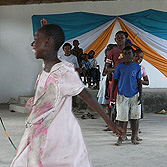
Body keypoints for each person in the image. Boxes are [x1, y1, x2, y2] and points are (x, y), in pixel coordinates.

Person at [10, 24, 124, 166]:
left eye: (36, 39)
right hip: (38, 130)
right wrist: (46, 32)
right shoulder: (47, 67)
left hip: (58, 136)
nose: (32, 44)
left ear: (48, 42)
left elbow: (86, 95)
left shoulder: (63, 73)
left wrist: (109, 122)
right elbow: (51, 54)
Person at [111, 46, 142, 146]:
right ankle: (120, 138)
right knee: (121, 118)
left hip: (134, 95)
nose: (127, 56)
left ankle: (133, 137)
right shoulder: (120, 66)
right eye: (125, 54)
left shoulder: (137, 67)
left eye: (129, 53)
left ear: (133, 55)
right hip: (122, 96)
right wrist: (112, 94)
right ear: (122, 55)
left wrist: (141, 95)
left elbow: (139, 82)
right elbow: (115, 80)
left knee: (134, 118)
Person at [105, 31, 127, 130]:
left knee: (128, 101)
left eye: (122, 37)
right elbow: (107, 68)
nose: (120, 39)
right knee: (115, 101)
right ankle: (115, 124)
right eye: (118, 38)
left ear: (125, 38)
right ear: (115, 40)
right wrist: (118, 69)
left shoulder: (131, 50)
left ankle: (128, 126)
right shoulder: (112, 52)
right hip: (116, 80)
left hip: (128, 80)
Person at [134, 48, 149, 141]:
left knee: (137, 115)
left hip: (137, 93)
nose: (139, 59)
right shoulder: (127, 66)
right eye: (137, 56)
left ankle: (135, 133)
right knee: (125, 116)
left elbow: (147, 82)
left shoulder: (142, 68)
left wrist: (140, 81)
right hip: (126, 94)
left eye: (141, 57)